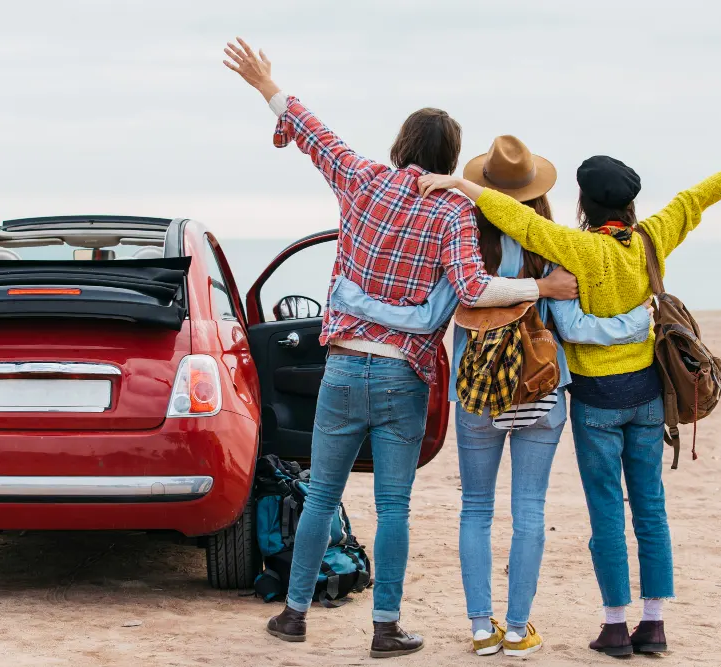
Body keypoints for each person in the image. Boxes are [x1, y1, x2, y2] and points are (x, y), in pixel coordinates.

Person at [222, 39, 578, 659]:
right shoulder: (451, 213)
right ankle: (385, 627)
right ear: (451, 160)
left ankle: (294, 615)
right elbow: (471, 288)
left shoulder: (361, 179)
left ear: (399, 146)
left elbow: (311, 132)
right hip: (401, 376)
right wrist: (541, 286)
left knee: (321, 495)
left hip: (340, 369)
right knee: (393, 507)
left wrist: (266, 85)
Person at [416, 145, 721, 656]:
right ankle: (653, 624)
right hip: (647, 398)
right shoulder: (651, 239)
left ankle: (615, 625)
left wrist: (463, 186)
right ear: (630, 206)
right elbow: (696, 198)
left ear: (583, 206)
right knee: (651, 509)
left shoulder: (575, 247)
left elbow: (514, 219)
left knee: (606, 514)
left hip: (595, 404)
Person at [328, 135, 653, 658]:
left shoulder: (462, 234)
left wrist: (352, 300)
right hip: (541, 391)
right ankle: (520, 628)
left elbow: (438, 307)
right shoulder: (553, 244)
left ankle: (482, 628)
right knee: (529, 509)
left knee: (475, 509)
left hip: (478, 392)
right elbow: (571, 323)